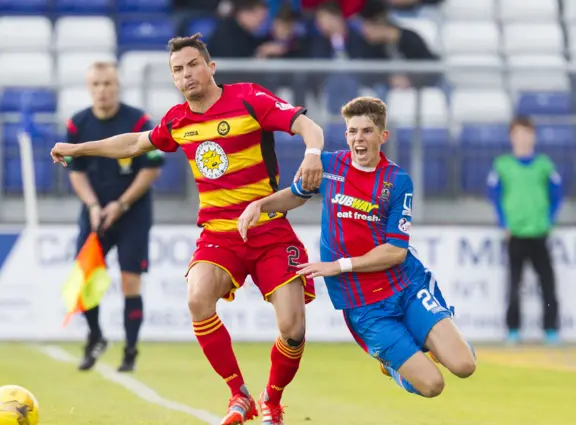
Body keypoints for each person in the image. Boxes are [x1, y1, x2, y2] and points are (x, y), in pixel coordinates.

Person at [51, 34, 324, 425]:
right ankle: (239, 394)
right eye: (177, 70)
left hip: (269, 229)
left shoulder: (249, 98)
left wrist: (312, 154)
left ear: (210, 67)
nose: (186, 74)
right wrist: (79, 148)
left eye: (193, 65)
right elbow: (133, 142)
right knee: (197, 299)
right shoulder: (179, 120)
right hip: (219, 234)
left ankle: (274, 400)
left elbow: (306, 125)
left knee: (293, 327)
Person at [239, 96, 477, 398]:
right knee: (432, 385)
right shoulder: (328, 166)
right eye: (352, 131)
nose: (358, 139)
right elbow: (297, 195)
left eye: (366, 131)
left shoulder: (397, 181)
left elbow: (395, 252)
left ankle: (434, 340)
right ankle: (393, 366)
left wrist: (337, 266)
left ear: (382, 136)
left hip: (406, 286)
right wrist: (259, 205)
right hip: (365, 307)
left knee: (464, 365)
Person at [65, 62, 165, 372]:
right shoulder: (77, 124)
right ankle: (95, 336)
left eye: (108, 83)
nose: (102, 90)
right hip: (96, 213)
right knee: (85, 278)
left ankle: (131, 351)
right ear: (89, 88)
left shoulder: (139, 121)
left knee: (129, 280)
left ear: (117, 86)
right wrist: (94, 206)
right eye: (96, 84)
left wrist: (121, 204)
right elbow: (76, 172)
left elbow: (151, 168)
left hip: (132, 213)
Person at [487, 116, 563, 345]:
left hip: (539, 233)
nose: (522, 138)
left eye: (526, 133)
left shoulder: (545, 165)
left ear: (533, 136)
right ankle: (513, 330)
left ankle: (551, 330)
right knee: (514, 284)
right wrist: (504, 223)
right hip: (516, 234)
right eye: (518, 133)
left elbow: (557, 194)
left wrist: (548, 220)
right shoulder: (502, 165)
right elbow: (494, 195)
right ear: (512, 137)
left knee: (548, 283)